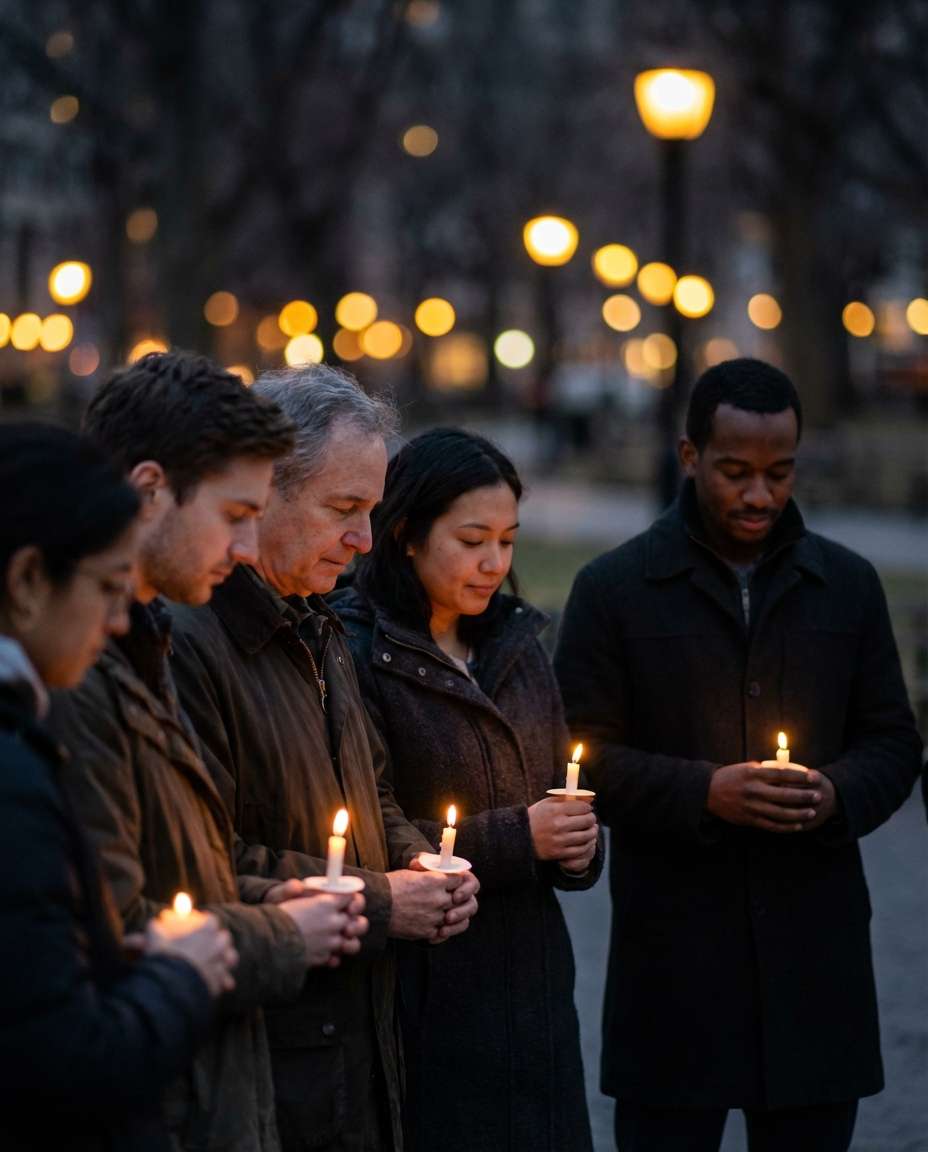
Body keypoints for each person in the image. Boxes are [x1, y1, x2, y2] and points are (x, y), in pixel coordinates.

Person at [554, 358, 923, 1152]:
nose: (759, 494)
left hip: (814, 967)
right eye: (735, 472)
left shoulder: (848, 587)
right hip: (674, 976)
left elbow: (895, 741)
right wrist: (703, 792)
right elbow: (575, 760)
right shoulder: (614, 590)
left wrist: (835, 794)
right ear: (690, 458)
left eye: (779, 472)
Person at [50, 352, 367, 1152]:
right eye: (234, 515)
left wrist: (269, 906)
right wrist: (285, 935)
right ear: (152, 490)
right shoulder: (79, 674)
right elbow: (120, 938)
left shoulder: (143, 646)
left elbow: (188, 875)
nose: (251, 542)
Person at [168, 365, 480, 1152]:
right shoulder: (190, 640)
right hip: (271, 1057)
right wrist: (382, 903)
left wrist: (420, 867)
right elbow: (200, 862)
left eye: (372, 511)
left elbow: (367, 787)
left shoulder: (319, 622)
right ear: (263, 492)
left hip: (355, 1043)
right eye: (344, 509)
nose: (366, 541)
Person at [333, 427, 602, 1152]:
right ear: (407, 536)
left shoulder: (515, 644)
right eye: (473, 539)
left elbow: (560, 794)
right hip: (429, 988)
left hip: (535, 985)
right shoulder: (357, 651)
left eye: (509, 542)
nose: (494, 564)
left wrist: (578, 848)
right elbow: (362, 826)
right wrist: (521, 837)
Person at [0, 423, 238, 1151]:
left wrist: (111, 965)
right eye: (107, 588)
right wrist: (180, 978)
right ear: (28, 581)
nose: (115, 619)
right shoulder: (12, 771)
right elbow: (65, 1063)